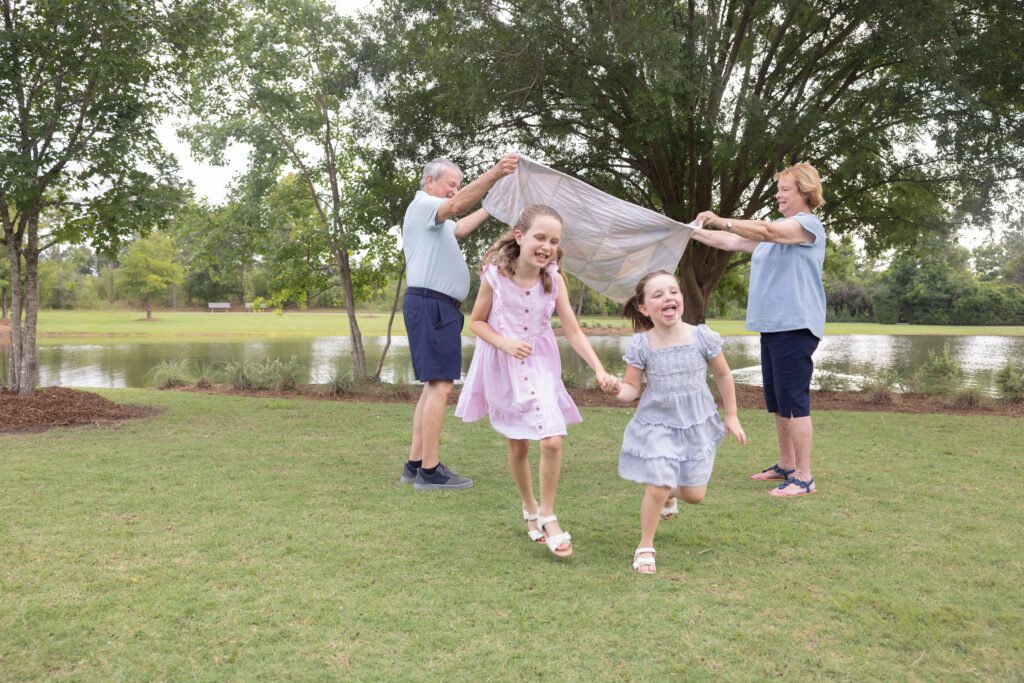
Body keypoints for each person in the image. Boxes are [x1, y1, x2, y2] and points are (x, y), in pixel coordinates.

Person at [455, 205, 617, 558]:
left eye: (554, 241)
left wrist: (599, 369)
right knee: (518, 445)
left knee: (552, 440)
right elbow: (477, 322)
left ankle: (547, 515)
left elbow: (572, 330)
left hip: (542, 365)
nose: (546, 246)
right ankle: (529, 508)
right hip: (503, 364)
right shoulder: (495, 277)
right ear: (520, 236)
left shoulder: (554, 279)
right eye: (540, 237)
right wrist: (506, 343)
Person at [692, 162, 826, 497]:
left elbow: (765, 231)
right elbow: (731, 242)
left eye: (785, 188)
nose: (778, 194)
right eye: (778, 188)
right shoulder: (775, 234)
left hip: (796, 325)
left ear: (805, 192)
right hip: (773, 327)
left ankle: (804, 477)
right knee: (779, 401)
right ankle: (786, 465)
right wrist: (693, 231)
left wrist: (722, 217)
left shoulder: (806, 226)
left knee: (794, 401)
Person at [603, 270, 746, 574]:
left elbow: (722, 374)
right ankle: (645, 547)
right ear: (644, 308)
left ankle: (672, 494)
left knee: (695, 495)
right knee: (658, 482)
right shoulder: (642, 345)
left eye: (673, 291)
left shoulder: (701, 336)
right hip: (657, 424)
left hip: (696, 422)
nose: (668, 297)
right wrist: (617, 389)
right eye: (658, 295)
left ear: (681, 299)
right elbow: (630, 390)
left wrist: (731, 414)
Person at [400, 154, 518, 490]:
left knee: (433, 385)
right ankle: (430, 470)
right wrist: (495, 173)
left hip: (438, 306)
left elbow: (462, 225)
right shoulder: (423, 205)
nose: (455, 191)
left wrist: (494, 206)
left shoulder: (434, 218)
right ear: (430, 182)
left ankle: (415, 463)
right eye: (451, 185)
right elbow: (455, 210)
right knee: (440, 385)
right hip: (430, 304)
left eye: (458, 186)